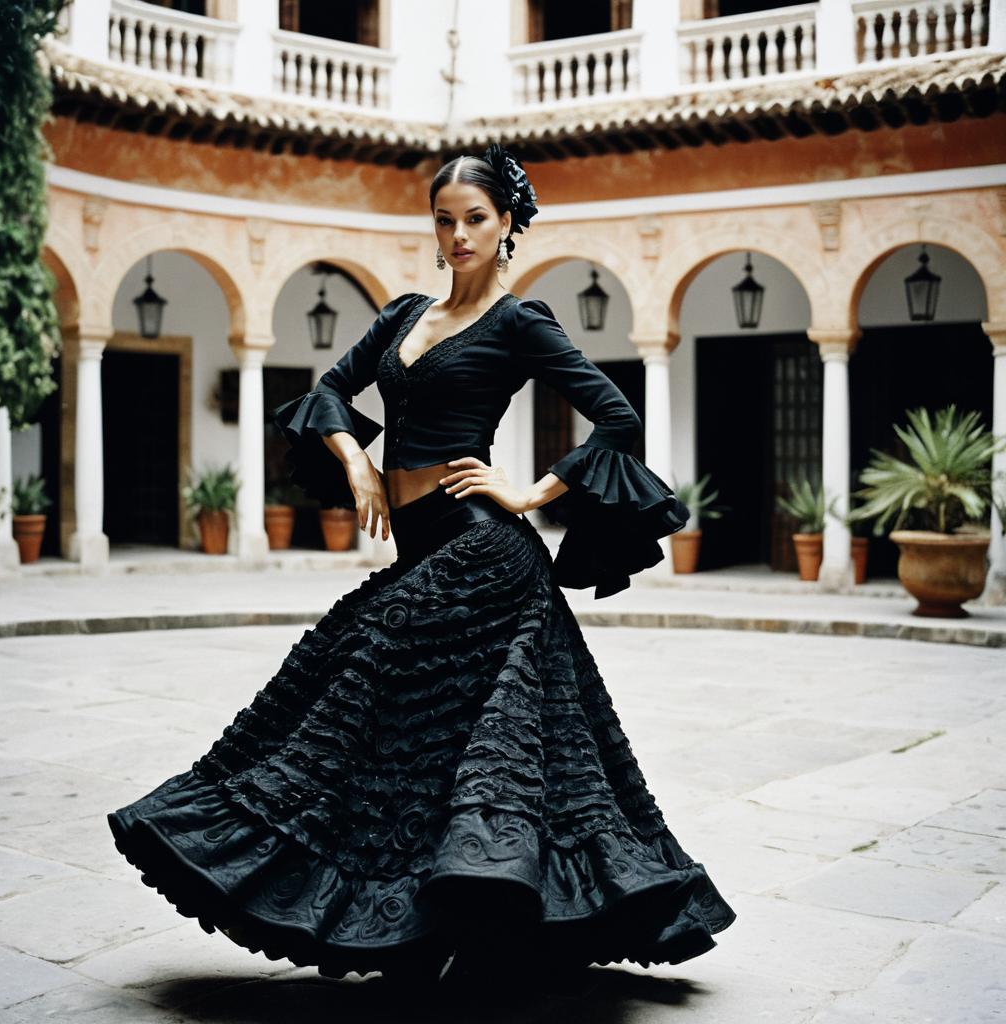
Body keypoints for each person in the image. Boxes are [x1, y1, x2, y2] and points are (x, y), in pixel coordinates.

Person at [106, 143, 736, 998]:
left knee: (363, 663)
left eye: (475, 218)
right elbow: (331, 386)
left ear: (507, 223)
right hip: (420, 543)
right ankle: (433, 918)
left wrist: (527, 494)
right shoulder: (402, 314)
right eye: (445, 219)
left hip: (486, 551)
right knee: (415, 731)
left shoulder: (522, 323)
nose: (459, 234)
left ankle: (428, 909)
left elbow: (617, 418)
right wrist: (357, 463)